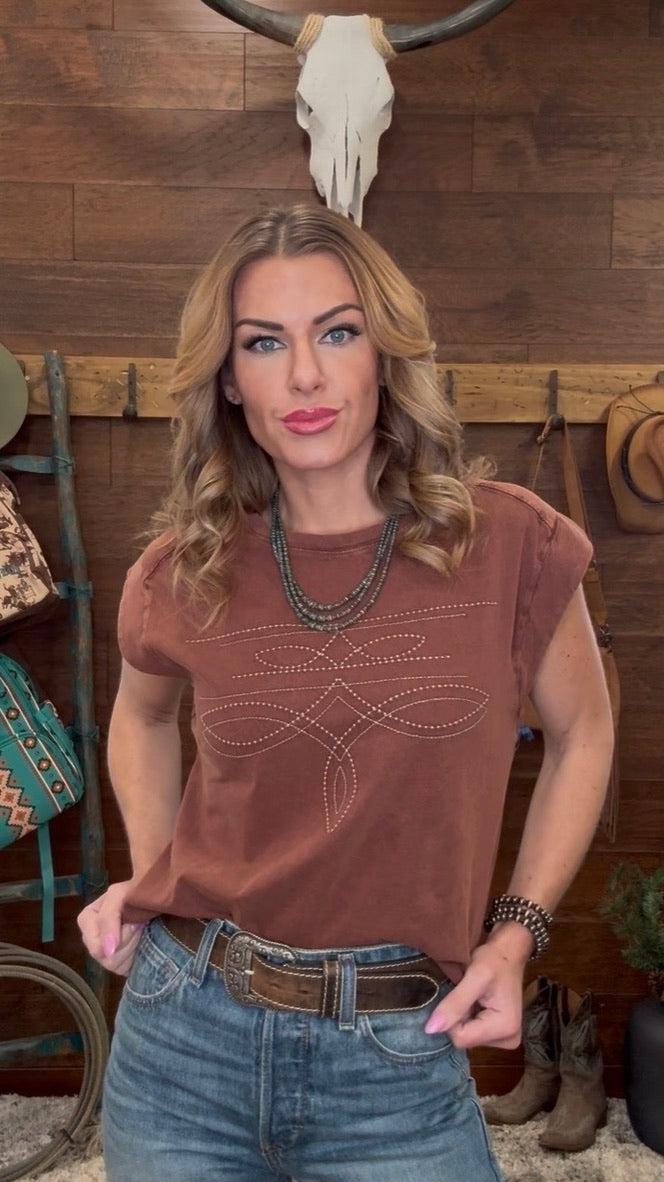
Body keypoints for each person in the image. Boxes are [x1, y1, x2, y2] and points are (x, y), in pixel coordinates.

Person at [77, 203, 615, 1182]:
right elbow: (142, 718)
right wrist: (157, 874)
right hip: (184, 1036)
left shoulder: (508, 544)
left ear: (385, 355)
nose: (305, 375)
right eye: (263, 343)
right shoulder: (181, 568)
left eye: (336, 332)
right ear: (229, 380)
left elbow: (583, 736)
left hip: (398, 1053)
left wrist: (514, 935)